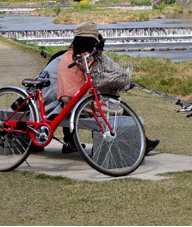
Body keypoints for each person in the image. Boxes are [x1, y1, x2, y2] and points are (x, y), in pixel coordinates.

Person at [55, 22, 160, 155]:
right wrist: (99, 51)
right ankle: (143, 144)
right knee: (121, 109)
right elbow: (102, 74)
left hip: (68, 102)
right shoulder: (85, 58)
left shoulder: (69, 55)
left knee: (102, 105)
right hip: (79, 104)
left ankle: (70, 142)